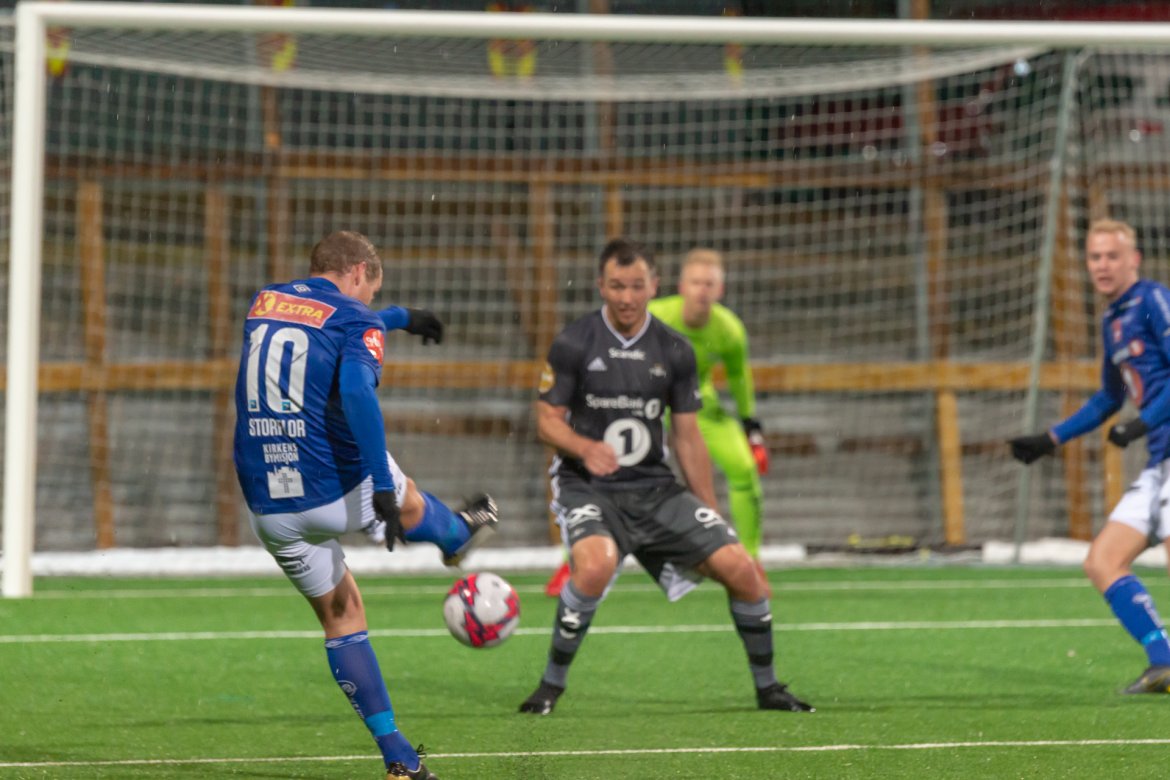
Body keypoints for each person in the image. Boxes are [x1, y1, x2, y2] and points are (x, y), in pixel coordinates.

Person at [233, 230, 499, 780]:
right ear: (358, 272)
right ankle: (454, 535)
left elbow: (329, 324)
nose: (370, 303)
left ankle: (399, 757)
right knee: (404, 492)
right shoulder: (357, 318)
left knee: (343, 617)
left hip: (266, 502)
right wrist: (380, 485)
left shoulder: (266, 300)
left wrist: (400, 317)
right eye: (372, 292)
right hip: (335, 489)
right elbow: (356, 389)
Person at [519, 236, 813, 715]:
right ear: (600, 286)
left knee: (742, 569)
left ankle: (769, 688)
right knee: (594, 567)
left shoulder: (675, 349)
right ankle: (550, 686)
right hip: (588, 487)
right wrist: (585, 448)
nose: (627, 297)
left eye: (637, 286)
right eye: (617, 286)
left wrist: (711, 513)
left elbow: (688, 437)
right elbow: (546, 422)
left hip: (654, 489)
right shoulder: (574, 342)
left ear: (654, 286)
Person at [543, 248, 769, 598]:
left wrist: (751, 428)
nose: (702, 291)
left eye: (709, 284)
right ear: (680, 286)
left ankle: (751, 558)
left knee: (744, 470)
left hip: (699, 411)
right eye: (696, 282)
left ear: (720, 289)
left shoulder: (730, 329)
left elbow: (740, 377)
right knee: (597, 481)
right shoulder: (655, 316)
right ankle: (573, 561)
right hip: (641, 407)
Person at [1010, 218, 1170, 695]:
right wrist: (1050, 439)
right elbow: (1108, 398)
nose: (1102, 265)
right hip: (1159, 461)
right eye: (1094, 257)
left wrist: (1142, 422)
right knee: (1102, 560)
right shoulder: (1111, 320)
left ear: (1133, 259)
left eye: (1112, 256)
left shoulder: (1153, 300)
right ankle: (1163, 662)